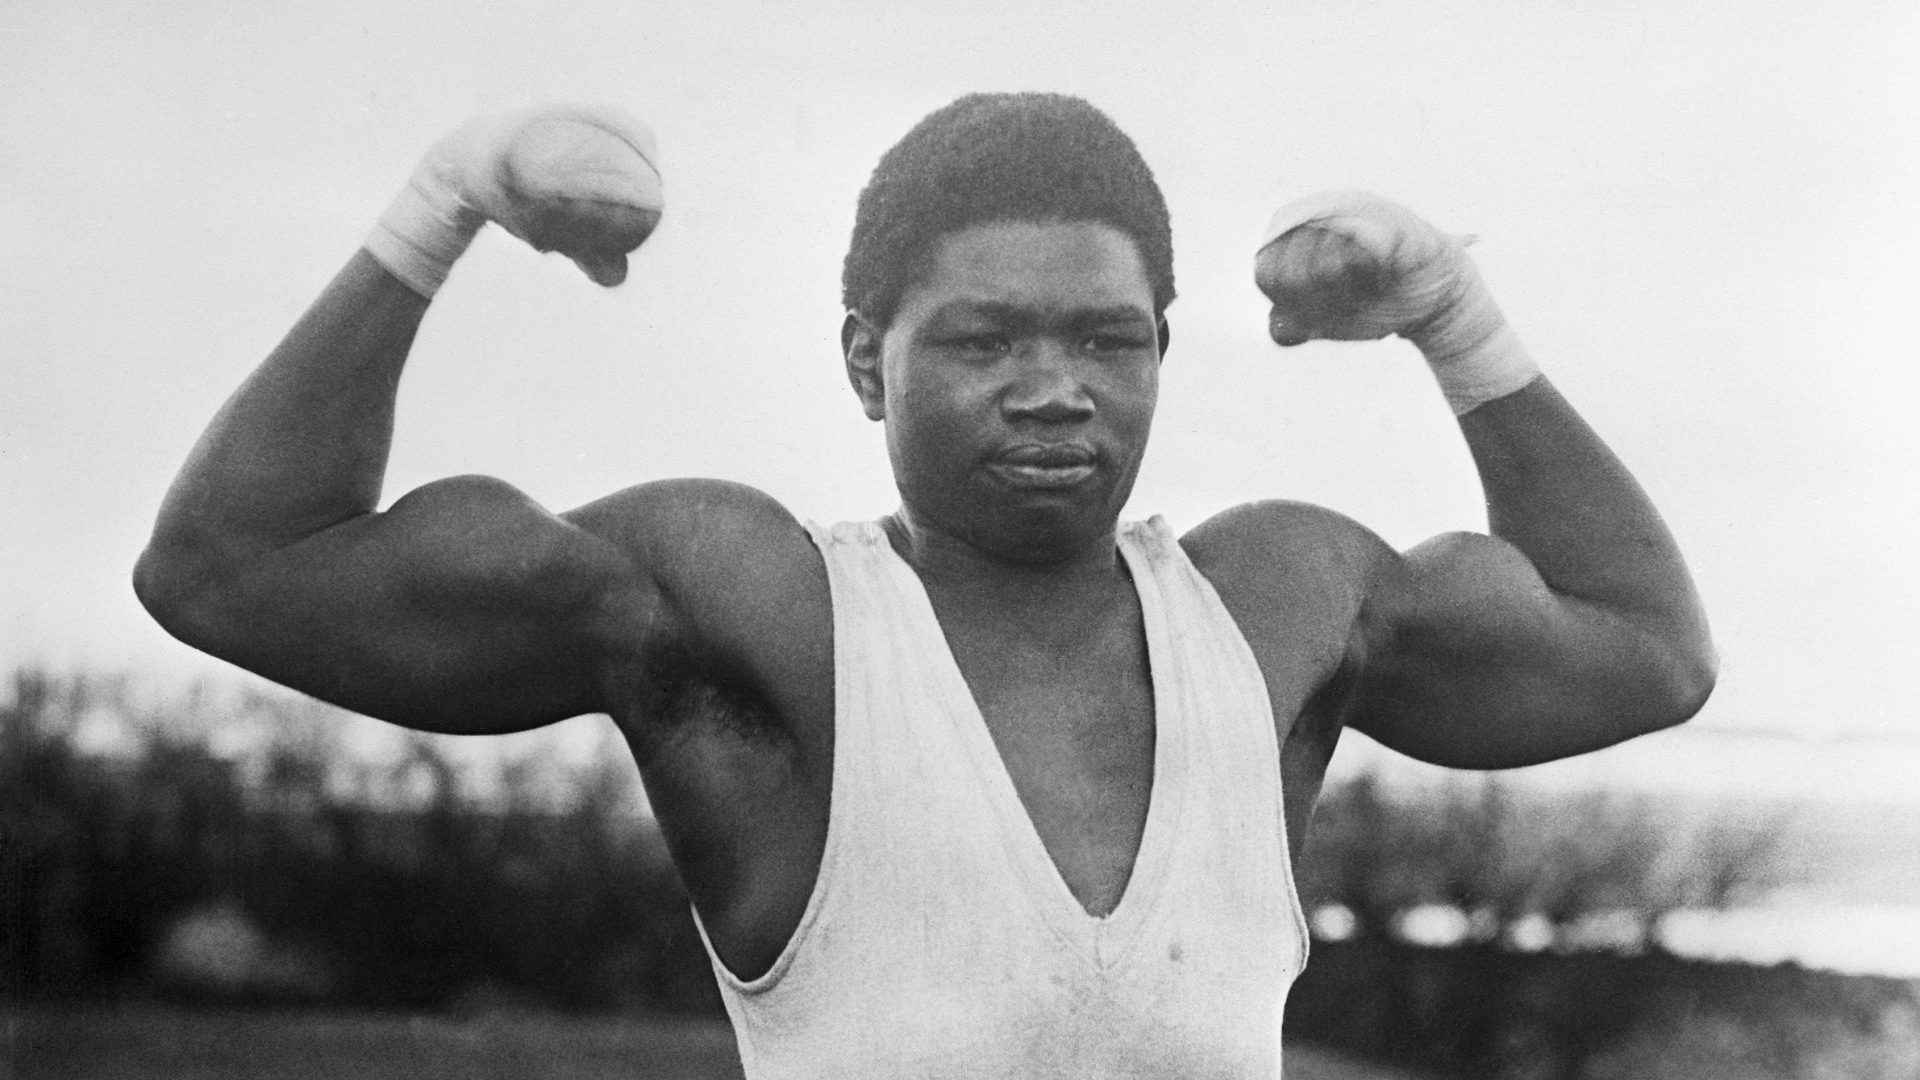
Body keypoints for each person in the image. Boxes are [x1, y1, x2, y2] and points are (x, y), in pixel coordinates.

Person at [135, 93, 1715, 1077]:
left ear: (1164, 350)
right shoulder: (757, 610)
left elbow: (1643, 649)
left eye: (1105, 338)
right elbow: (236, 569)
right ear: (862, 363)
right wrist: (452, 194)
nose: (1053, 390)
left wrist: (1452, 305)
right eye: (980, 339)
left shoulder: (1278, 607)